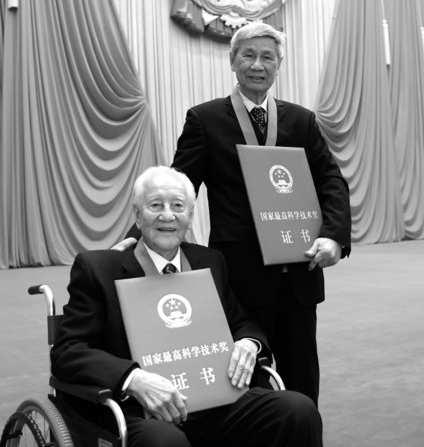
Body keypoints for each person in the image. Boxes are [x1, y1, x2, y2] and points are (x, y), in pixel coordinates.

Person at [121, 21, 351, 405]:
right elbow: (179, 185)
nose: (258, 65)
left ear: (278, 65)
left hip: (299, 269)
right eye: (249, 55)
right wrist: (137, 237)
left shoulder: (302, 121)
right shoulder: (205, 119)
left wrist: (334, 237)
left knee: (301, 376)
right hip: (240, 273)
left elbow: (331, 181)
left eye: (268, 57)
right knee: (247, 377)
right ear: (232, 61)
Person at [51, 166, 323, 447]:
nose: (167, 215)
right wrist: (133, 378)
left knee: (298, 411)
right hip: (141, 409)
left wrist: (249, 342)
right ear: (137, 215)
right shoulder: (99, 269)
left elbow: (240, 322)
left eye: (178, 206)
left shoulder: (210, 261)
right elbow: (68, 351)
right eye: (155, 205)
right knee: (165, 442)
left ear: (190, 216)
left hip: (215, 402)